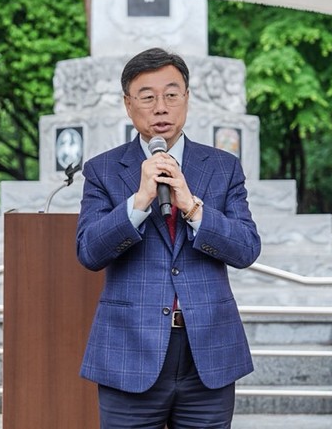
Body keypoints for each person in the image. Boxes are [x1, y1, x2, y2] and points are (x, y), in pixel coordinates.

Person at [76, 47, 261, 428]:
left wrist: (193, 207)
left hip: (207, 352)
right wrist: (139, 201)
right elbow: (89, 252)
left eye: (171, 94)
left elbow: (246, 249)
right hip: (129, 352)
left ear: (187, 99)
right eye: (147, 97)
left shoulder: (223, 167)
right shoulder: (103, 170)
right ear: (128, 105)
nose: (161, 107)